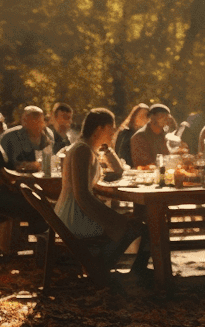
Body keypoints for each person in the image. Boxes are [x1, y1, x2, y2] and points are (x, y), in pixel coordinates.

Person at [57, 109, 151, 274]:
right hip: (74, 218)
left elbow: (117, 170)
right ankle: (100, 269)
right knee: (139, 228)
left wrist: (107, 149)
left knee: (135, 226)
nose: (114, 132)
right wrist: (114, 220)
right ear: (99, 129)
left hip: (73, 213)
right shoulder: (82, 151)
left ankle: (110, 268)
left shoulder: (86, 149)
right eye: (111, 128)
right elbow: (82, 196)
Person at [0, 110, 47, 250]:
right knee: (33, 205)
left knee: (33, 201)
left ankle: (30, 242)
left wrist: (21, 175)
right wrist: (15, 185)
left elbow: (4, 170)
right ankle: (31, 242)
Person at [0, 105, 52, 171]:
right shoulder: (9, 137)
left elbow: (52, 159)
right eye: (31, 120)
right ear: (23, 121)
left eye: (39, 121)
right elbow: (4, 165)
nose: (36, 124)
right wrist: (27, 165)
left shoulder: (49, 135)